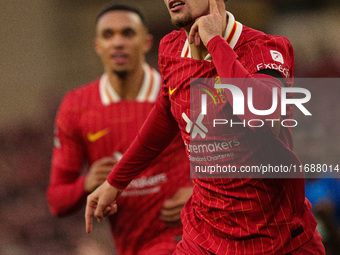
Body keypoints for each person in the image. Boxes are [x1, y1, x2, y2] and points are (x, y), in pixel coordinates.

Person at [85, 0, 325, 254]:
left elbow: (262, 111)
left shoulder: (265, 48)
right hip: (205, 237)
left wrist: (215, 42)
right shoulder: (171, 49)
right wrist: (116, 182)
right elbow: (165, 116)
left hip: (278, 239)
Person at [46, 4, 192, 255]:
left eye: (127, 33)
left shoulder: (180, 88)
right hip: (130, 245)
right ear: (97, 46)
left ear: (146, 43)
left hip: (186, 235)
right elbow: (57, 202)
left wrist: (198, 195)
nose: (118, 43)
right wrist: (87, 183)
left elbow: (238, 156)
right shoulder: (76, 107)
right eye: (108, 35)